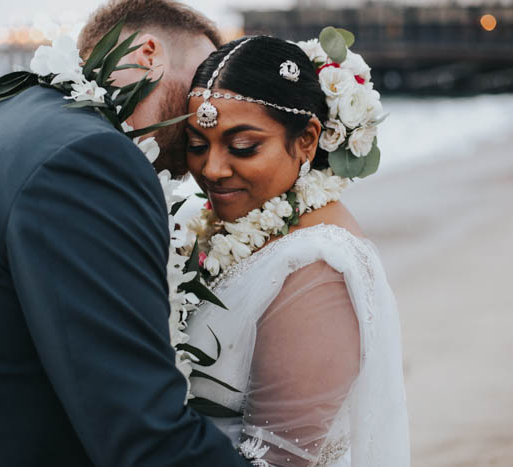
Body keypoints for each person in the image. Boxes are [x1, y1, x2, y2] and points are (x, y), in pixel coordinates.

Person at [0, 1, 249, 466]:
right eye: (202, 84)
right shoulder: (92, 156)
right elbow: (143, 434)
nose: (209, 111)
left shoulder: (25, 116)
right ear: (148, 53)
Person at [182, 36, 410, 466]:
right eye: (196, 144)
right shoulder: (232, 228)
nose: (211, 169)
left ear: (307, 139)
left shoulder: (318, 268)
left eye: (242, 146)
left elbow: (276, 459)